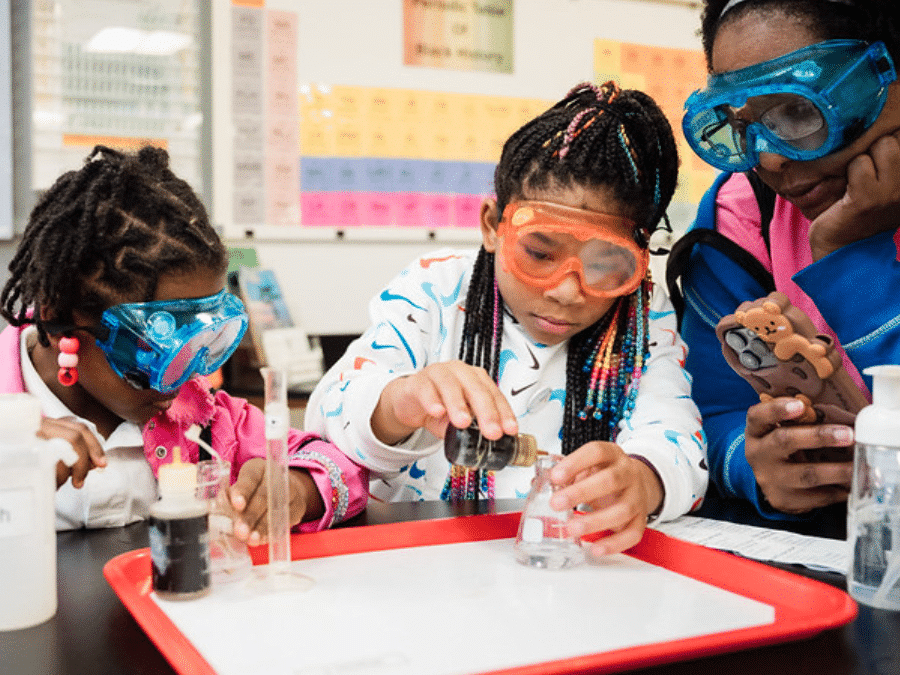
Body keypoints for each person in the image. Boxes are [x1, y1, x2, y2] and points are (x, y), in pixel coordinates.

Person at [306, 81, 708, 557]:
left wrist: (645, 477)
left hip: (565, 576)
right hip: (419, 566)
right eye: (539, 252)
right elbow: (329, 417)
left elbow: (679, 438)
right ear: (492, 225)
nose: (565, 290)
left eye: (605, 266)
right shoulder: (435, 288)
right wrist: (403, 401)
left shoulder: (642, 314)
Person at [0, 145, 367, 540]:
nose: (179, 381)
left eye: (199, 345)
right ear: (62, 325)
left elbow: (339, 465)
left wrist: (295, 488)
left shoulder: (205, 419)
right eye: (155, 354)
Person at [669, 0, 900, 519]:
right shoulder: (743, 213)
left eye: (800, 111)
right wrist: (754, 468)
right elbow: (708, 410)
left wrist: (849, 256)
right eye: (742, 125)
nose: (770, 159)